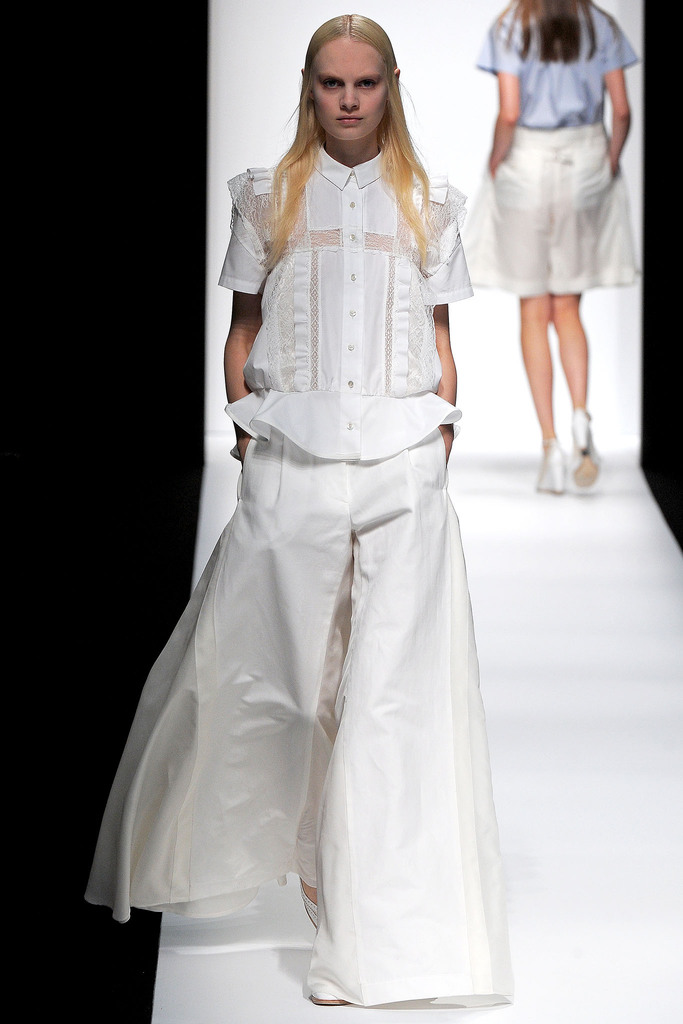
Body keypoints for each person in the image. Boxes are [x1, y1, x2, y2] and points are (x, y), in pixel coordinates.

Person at [85, 14, 513, 1009]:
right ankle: (314, 863)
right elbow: (242, 330)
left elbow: (439, 338)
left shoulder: (432, 203)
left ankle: (369, 934)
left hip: (402, 466)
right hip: (290, 458)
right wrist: (245, 438)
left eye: (365, 83)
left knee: (393, 697)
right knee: (282, 685)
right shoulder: (264, 196)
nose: (349, 101)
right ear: (309, 87)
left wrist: (439, 449)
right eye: (332, 83)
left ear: (390, 85)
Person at [464, 0, 638, 494]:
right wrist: (609, 161)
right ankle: (582, 420)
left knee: (532, 309)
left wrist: (495, 161)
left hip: (527, 161)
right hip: (585, 157)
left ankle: (551, 447)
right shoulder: (600, 23)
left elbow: (510, 112)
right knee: (568, 308)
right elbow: (621, 110)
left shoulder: (512, 24)